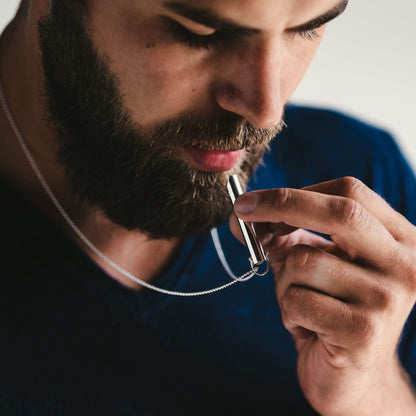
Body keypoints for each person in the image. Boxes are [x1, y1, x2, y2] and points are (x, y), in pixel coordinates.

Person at [1, 0, 415, 414]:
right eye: (200, 33)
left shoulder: (361, 189)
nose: (266, 109)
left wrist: (373, 396)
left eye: (307, 27)